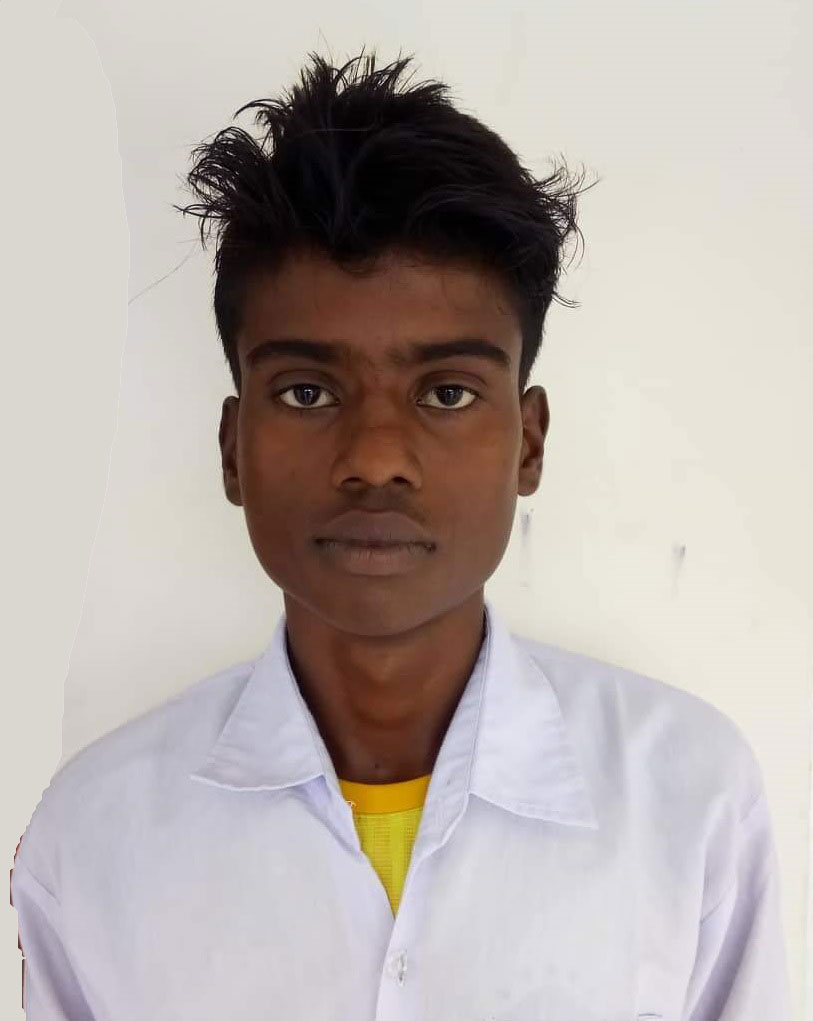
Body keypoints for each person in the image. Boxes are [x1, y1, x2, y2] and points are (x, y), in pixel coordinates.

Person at [11, 48, 791, 1020]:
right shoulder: (94, 837)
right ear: (231, 449)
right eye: (306, 391)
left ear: (529, 442)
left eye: (447, 392)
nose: (376, 457)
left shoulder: (687, 796)